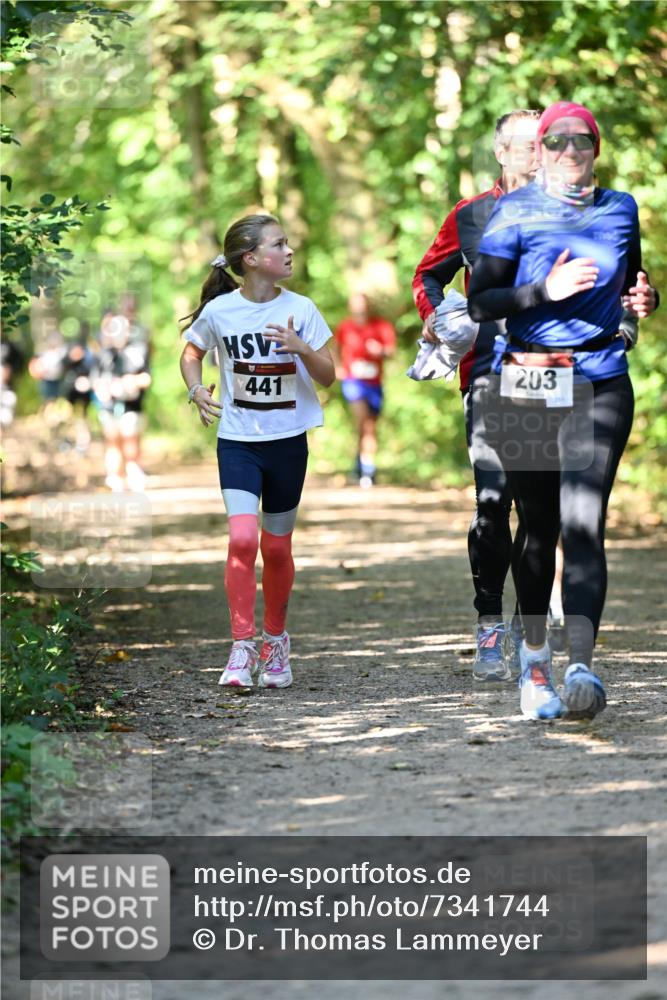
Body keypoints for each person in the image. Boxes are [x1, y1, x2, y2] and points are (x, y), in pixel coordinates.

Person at [468, 100, 659, 720]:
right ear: (540, 150)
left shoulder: (620, 208)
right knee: (540, 524)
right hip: (530, 377)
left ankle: (582, 668)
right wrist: (541, 291)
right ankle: (536, 664)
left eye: (582, 141)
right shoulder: (513, 212)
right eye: (557, 142)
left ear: (596, 148)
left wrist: (644, 296)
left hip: (601, 377)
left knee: (584, 523)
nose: (570, 152)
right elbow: (480, 302)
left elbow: (630, 276)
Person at [179, 214, 335, 690]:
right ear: (250, 259)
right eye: (278, 244)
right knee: (243, 540)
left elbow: (328, 375)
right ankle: (242, 646)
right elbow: (191, 352)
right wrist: (195, 390)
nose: (289, 251)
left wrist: (300, 347)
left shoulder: (302, 308)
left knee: (276, 545)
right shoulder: (221, 311)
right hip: (239, 441)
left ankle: (275, 640)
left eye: (288, 242)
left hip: (288, 441)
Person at [413, 109, 541, 682]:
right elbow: (427, 275)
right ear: (501, 152)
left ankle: (527, 628)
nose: (537, 155)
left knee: (542, 512)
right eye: (526, 145)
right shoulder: (470, 214)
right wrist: (436, 316)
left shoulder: (568, 213)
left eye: (546, 144)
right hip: (486, 372)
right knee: (494, 502)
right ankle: (489, 621)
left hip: (550, 373)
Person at [334, 292, 396, 487]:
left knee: (369, 426)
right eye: (355, 304)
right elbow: (334, 348)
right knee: (362, 419)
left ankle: (363, 465)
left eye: (362, 304)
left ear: (368, 305)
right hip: (353, 381)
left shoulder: (381, 326)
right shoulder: (345, 327)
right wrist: (338, 368)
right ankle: (366, 469)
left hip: (374, 382)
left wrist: (380, 351)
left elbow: (391, 351)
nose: (359, 308)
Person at [91, 309, 152, 492]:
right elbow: (96, 380)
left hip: (132, 405)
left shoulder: (139, 350)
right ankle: (115, 479)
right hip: (109, 407)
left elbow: (147, 378)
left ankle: (134, 474)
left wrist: (130, 382)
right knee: (112, 443)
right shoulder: (103, 354)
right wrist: (105, 390)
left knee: (131, 441)